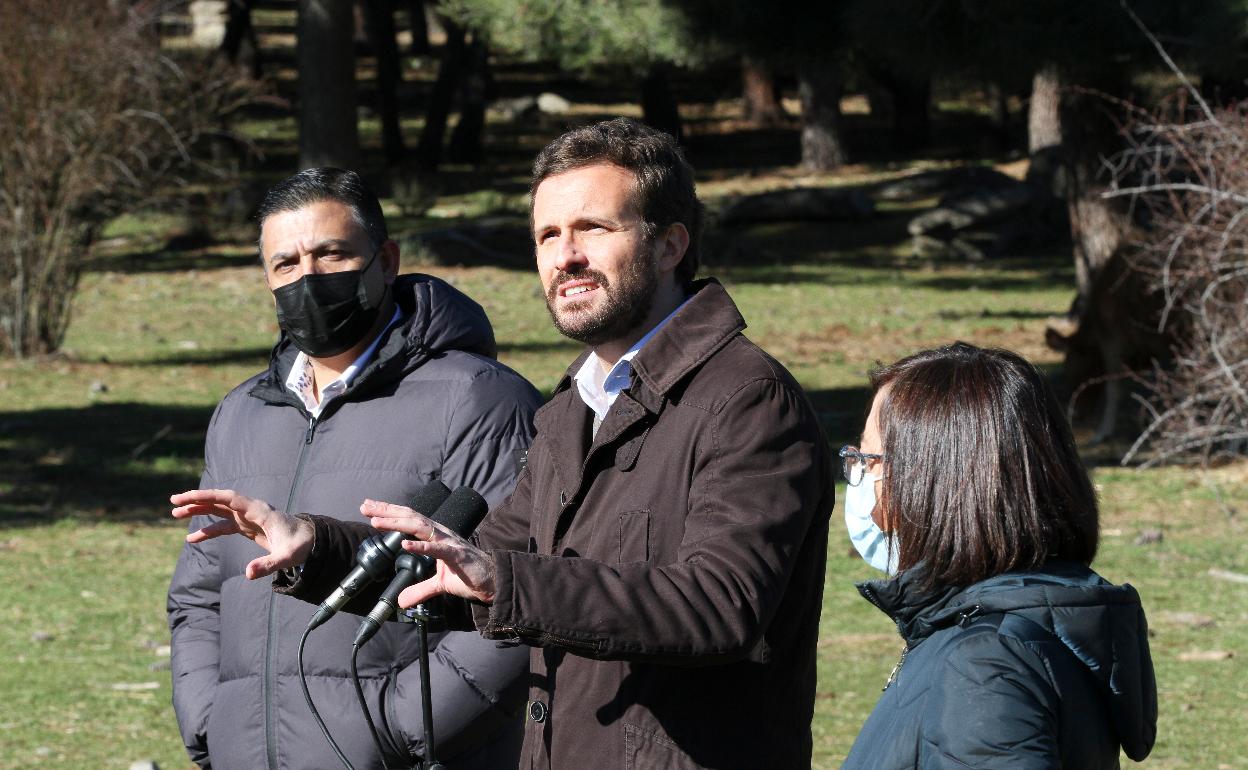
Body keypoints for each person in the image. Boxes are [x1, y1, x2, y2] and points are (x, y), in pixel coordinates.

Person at [172, 118, 835, 769]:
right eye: (547, 235)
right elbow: (475, 561)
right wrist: (316, 546)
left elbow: (722, 607)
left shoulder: (746, 399)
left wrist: (503, 585)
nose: (565, 255)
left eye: (593, 229)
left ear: (670, 245)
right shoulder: (572, 410)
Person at [166, 168, 543, 770]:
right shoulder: (240, 415)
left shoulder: (479, 400)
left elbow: (516, 597)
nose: (307, 279)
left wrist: (396, 733)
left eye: (332, 254)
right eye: (285, 265)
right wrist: (211, 726)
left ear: (386, 261)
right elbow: (199, 598)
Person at [838, 342, 1157, 769]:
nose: (858, 474)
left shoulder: (985, 666)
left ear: (935, 478)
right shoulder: (1006, 628)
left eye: (870, 458)